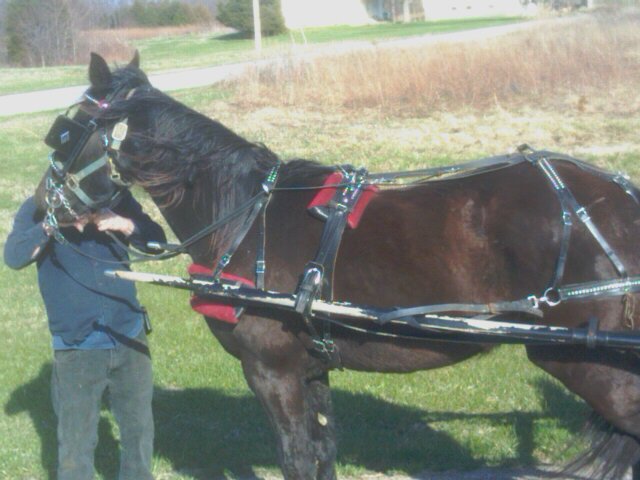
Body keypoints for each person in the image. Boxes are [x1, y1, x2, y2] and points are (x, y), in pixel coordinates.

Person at [4, 190, 166, 480]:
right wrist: (52, 225)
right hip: (78, 344)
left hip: (129, 333)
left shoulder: (116, 197)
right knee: (76, 443)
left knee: (138, 431)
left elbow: (157, 241)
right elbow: (14, 256)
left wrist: (124, 224)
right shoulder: (38, 208)